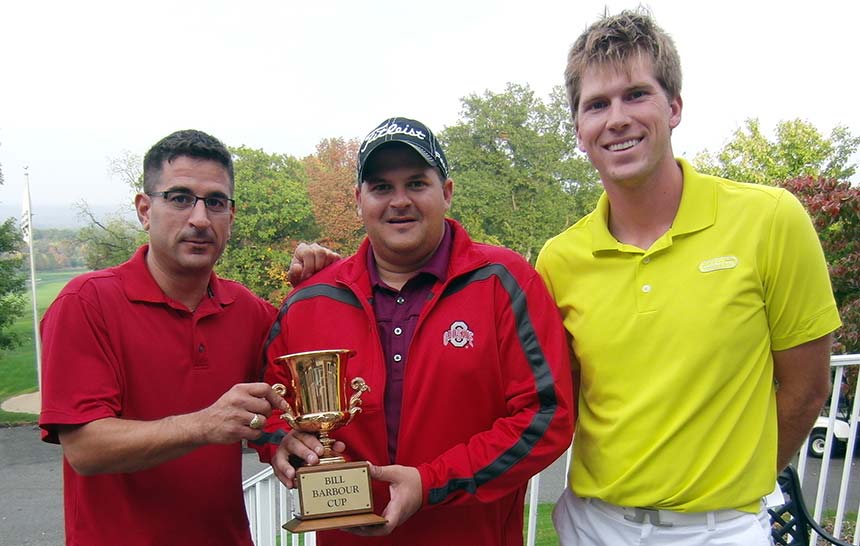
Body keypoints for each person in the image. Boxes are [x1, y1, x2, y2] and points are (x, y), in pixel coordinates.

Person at [534, 9, 842, 545]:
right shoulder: (560, 259)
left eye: (636, 94)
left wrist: (736, 488)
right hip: (595, 526)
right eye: (596, 105)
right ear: (579, 131)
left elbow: (807, 387)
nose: (617, 118)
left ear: (674, 107)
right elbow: (553, 402)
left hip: (722, 531)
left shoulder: (770, 220)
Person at [256, 116, 575, 546]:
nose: (399, 200)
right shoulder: (309, 301)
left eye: (416, 183)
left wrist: (432, 483)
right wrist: (282, 442)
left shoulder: (503, 282)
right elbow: (268, 406)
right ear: (358, 200)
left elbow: (546, 415)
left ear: (446, 193)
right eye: (381, 187)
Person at [39, 129, 286, 546]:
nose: (200, 219)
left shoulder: (249, 312)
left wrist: (318, 285)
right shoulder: (87, 303)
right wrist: (204, 425)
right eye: (179, 198)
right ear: (144, 209)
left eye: (215, 202)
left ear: (231, 215)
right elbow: (85, 448)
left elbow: (285, 404)